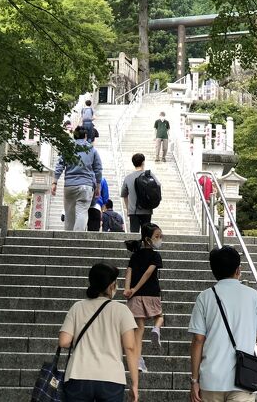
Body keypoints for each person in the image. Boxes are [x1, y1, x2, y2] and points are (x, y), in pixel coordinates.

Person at [188, 246, 257, 402]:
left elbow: (198, 340)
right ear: (238, 270)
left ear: (214, 271)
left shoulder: (204, 297)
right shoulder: (253, 296)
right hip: (243, 381)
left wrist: (194, 380)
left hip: (211, 380)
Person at [59, 262, 139, 402]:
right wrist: (135, 384)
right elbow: (130, 347)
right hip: (111, 378)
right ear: (111, 285)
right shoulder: (121, 310)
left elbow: (64, 341)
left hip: (78, 375)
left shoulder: (77, 307)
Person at [123, 223, 165, 373]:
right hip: (152, 293)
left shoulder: (135, 255)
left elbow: (129, 272)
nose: (160, 239)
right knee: (159, 317)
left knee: (139, 329)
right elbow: (148, 274)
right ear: (148, 239)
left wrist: (129, 289)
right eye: (157, 237)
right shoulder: (155, 255)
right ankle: (156, 329)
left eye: (161, 236)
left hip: (135, 297)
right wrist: (134, 288)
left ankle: (138, 362)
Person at [51, 126, 103, 231]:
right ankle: (78, 238)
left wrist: (55, 182)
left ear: (74, 136)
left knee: (69, 215)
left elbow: (59, 165)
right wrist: (98, 185)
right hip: (86, 186)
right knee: (82, 212)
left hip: (69, 185)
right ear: (85, 136)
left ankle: (69, 239)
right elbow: (98, 169)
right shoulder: (92, 149)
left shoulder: (68, 148)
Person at [121, 153, 161, 233]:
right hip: (147, 210)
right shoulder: (149, 175)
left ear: (133, 163)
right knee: (146, 234)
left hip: (133, 211)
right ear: (143, 162)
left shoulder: (128, 178)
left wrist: (128, 209)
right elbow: (158, 185)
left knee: (134, 234)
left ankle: (135, 246)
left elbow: (124, 195)